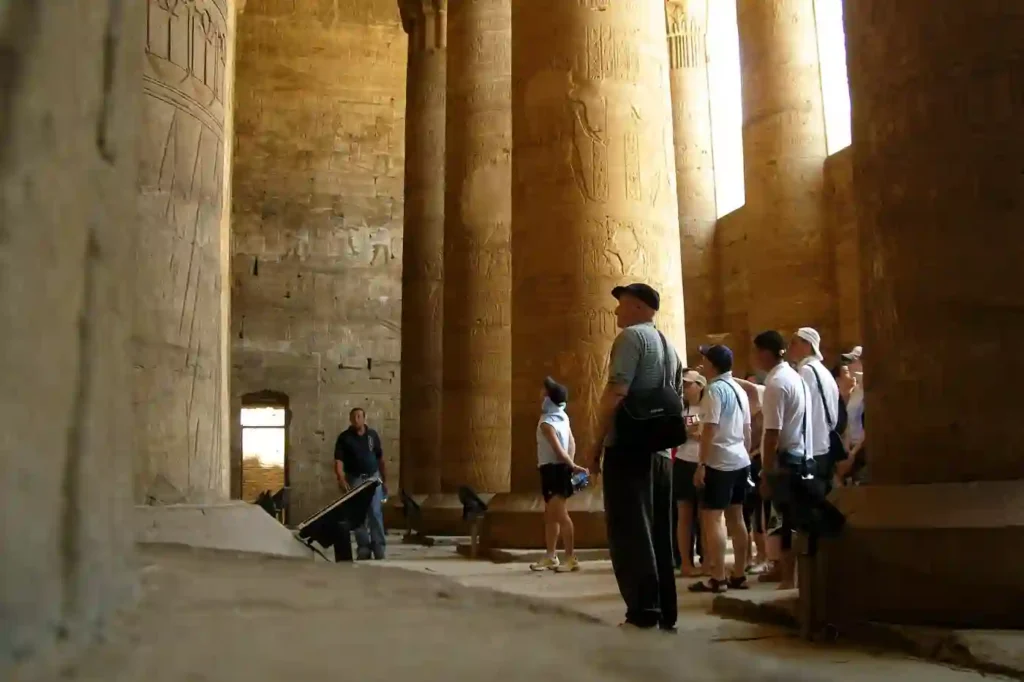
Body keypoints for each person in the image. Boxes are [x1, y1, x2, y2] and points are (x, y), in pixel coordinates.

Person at [589, 282, 682, 631]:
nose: (617, 311)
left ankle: (642, 611)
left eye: (623, 304)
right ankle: (664, 609)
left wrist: (595, 443)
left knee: (629, 530)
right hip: (659, 452)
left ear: (641, 307)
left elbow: (616, 391)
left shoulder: (631, 339)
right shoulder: (669, 347)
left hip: (629, 447)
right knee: (658, 531)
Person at [688, 344, 752, 594]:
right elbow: (747, 430)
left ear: (712, 364)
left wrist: (701, 464)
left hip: (719, 461)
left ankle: (718, 576)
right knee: (737, 518)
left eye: (704, 359)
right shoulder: (739, 389)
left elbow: (709, 430)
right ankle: (739, 572)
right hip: (740, 459)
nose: (702, 363)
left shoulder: (714, 390)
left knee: (713, 518)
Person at [752, 331, 810, 590]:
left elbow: (772, 432)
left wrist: (766, 472)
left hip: (784, 459)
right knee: (787, 518)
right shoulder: (793, 376)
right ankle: (786, 572)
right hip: (798, 453)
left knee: (785, 520)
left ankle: (789, 577)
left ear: (765, 352)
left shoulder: (776, 384)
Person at [530, 376, 587, 573]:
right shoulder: (563, 417)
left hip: (553, 469)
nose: (541, 393)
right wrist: (570, 465)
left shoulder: (547, 422)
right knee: (550, 515)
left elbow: (557, 449)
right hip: (559, 468)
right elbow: (571, 443)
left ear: (548, 398)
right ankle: (550, 555)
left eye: (544, 391)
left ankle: (571, 557)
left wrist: (571, 464)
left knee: (560, 515)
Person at [788, 328, 841, 493]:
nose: (790, 348)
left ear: (807, 345)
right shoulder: (823, 372)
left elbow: (799, 411)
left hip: (811, 450)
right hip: (823, 447)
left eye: (794, 343)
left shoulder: (806, 372)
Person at [333, 407, 387, 560]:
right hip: (355, 479)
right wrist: (341, 478)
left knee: (375, 513)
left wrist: (384, 480)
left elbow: (380, 458)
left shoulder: (372, 435)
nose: (357, 419)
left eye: (359, 416)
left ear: (364, 418)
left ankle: (379, 547)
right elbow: (338, 460)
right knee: (358, 516)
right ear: (350, 419)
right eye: (354, 417)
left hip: (373, 478)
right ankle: (363, 548)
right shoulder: (344, 438)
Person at [674, 369, 707, 577]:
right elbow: (680, 433)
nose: (685, 389)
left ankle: (709, 560)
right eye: (683, 385)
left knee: (706, 515)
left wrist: (696, 433)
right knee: (684, 515)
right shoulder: (682, 409)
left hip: (703, 461)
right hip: (684, 461)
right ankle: (686, 562)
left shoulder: (709, 406)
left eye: (689, 384)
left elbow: (706, 433)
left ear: (700, 386)